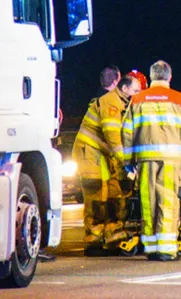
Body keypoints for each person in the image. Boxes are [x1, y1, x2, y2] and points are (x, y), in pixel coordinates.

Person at [122, 60, 181, 261]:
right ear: (169, 77)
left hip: (145, 160)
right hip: (170, 160)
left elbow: (127, 131)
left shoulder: (137, 100)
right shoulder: (180, 100)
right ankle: (165, 249)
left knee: (148, 201)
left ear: (151, 77)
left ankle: (151, 247)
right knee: (167, 201)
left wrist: (128, 160)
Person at [73, 66, 129, 256]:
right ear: (118, 82)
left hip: (103, 155)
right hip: (91, 154)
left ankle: (113, 237)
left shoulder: (106, 99)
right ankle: (94, 241)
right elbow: (112, 134)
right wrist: (125, 160)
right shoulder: (109, 101)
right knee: (96, 196)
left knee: (113, 194)